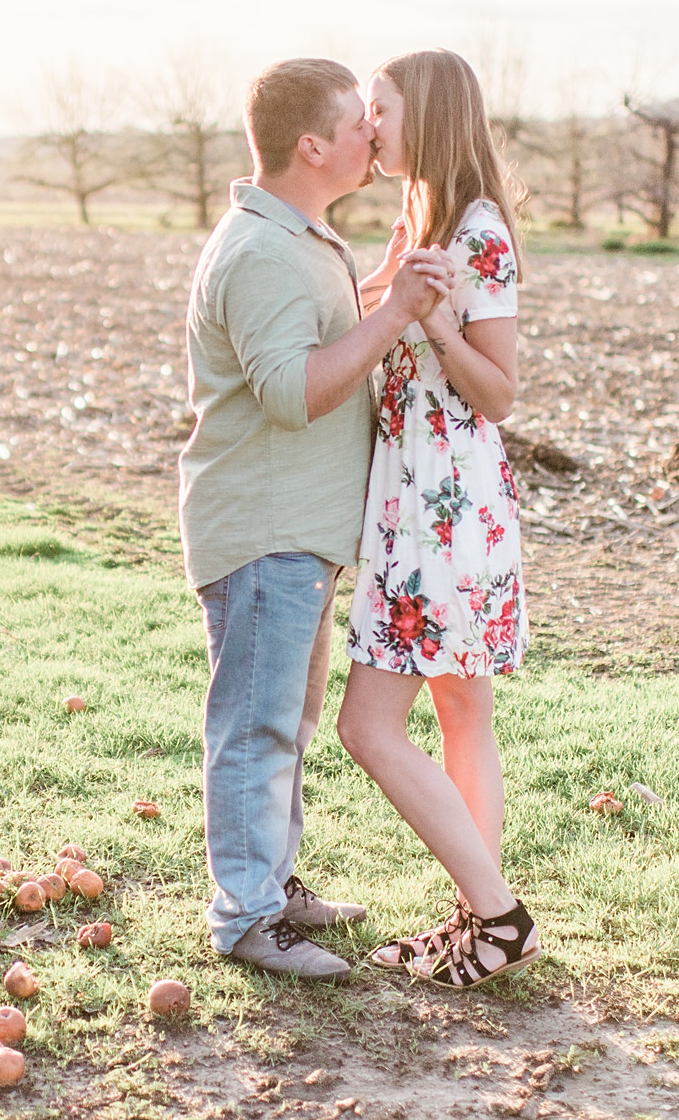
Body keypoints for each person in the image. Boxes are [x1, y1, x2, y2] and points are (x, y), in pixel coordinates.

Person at [179, 57, 455, 981]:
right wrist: (398, 313)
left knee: (282, 722)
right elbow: (295, 390)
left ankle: (272, 884)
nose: (372, 135)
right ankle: (246, 917)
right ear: (312, 145)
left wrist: (374, 291)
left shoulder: (296, 237)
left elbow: (312, 339)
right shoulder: (261, 250)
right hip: (265, 529)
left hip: (294, 531)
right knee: (255, 726)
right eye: (356, 124)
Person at [336, 48, 540, 989]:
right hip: (422, 498)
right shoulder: (420, 217)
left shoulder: (478, 232)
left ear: (429, 115)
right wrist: (382, 282)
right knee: (463, 714)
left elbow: (499, 393)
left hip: (441, 508)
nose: (369, 123)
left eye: (380, 106)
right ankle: (478, 923)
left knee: (369, 728)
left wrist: (442, 326)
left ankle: (499, 917)